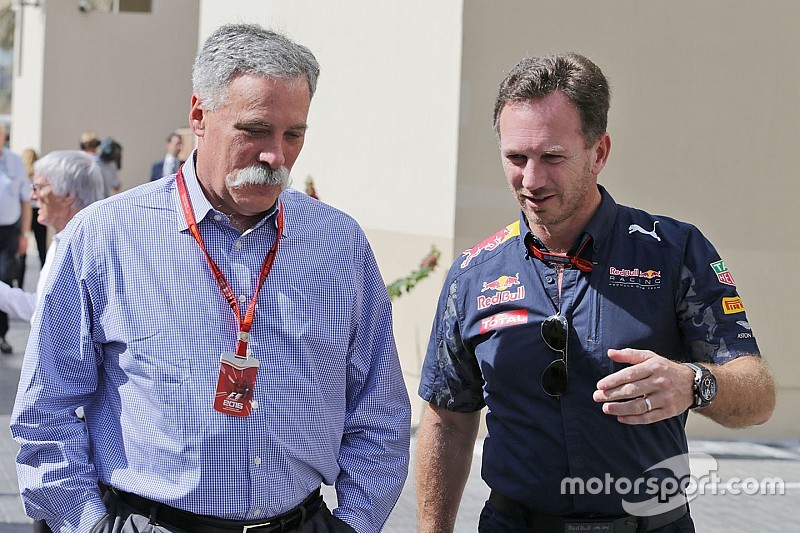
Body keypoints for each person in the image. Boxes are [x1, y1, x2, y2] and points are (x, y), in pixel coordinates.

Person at [11, 23, 410, 533]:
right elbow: (45, 411)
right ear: (199, 116)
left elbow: (380, 410)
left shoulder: (338, 243)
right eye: (255, 130)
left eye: (294, 135)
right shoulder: (105, 236)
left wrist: (353, 525)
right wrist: (89, 525)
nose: (276, 157)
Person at [415, 53, 775, 533]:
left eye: (553, 157)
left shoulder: (675, 251)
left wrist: (694, 383)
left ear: (599, 151)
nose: (532, 180)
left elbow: (759, 396)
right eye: (516, 158)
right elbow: (447, 420)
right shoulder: (473, 274)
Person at [0, 150, 104, 322]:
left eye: (38, 187)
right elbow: (40, 309)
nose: (32, 196)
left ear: (68, 196)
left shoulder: (84, 249)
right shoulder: (62, 241)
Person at [0, 121, 31, 355]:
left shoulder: (14, 161)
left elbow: (25, 200)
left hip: (9, 231)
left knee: (5, 281)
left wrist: (24, 233)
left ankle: (2, 335)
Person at [21, 149, 48, 271]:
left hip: (26, 212)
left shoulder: (22, 175)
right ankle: (45, 275)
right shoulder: (39, 176)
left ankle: (20, 282)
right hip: (38, 210)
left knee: (23, 250)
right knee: (42, 249)